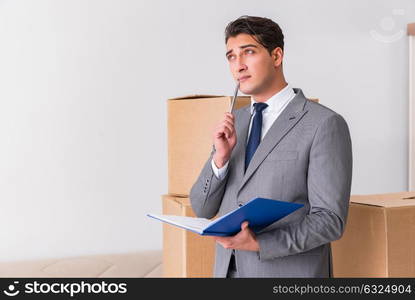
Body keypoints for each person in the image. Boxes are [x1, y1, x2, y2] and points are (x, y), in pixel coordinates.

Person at [189, 15, 353, 278]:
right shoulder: (235, 122)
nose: (238, 66)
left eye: (248, 52)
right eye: (231, 56)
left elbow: (330, 220)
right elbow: (202, 208)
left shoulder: (324, 124)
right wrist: (220, 158)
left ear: (276, 57)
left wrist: (261, 243)